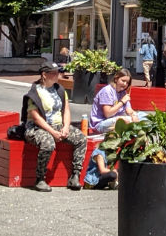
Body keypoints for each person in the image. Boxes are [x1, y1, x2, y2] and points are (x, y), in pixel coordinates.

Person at [24, 64, 86, 192]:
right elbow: (36, 118)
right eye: (53, 73)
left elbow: (66, 110)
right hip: (38, 127)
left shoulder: (60, 90)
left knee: (81, 138)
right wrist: (52, 132)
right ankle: (40, 179)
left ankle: (75, 175)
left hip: (58, 125)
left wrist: (66, 127)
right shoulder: (35, 93)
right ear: (44, 75)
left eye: (58, 72)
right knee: (48, 143)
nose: (57, 75)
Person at [83, 69, 148, 189]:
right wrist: (122, 102)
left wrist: (133, 115)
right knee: (122, 120)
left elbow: (129, 110)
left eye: (127, 83)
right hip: (101, 124)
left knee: (145, 116)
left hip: (118, 120)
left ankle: (134, 130)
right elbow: (108, 113)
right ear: (116, 78)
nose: (124, 84)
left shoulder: (123, 93)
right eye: (123, 81)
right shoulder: (107, 91)